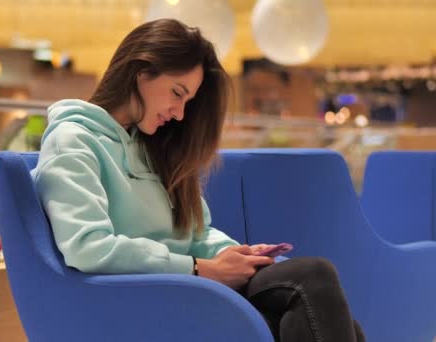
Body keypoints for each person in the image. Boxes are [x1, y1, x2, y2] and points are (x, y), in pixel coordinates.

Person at [31, 18, 366, 342]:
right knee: (312, 278)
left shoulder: (153, 146)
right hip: (139, 299)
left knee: (329, 320)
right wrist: (197, 269)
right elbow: (87, 247)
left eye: (187, 101)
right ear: (141, 71)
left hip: (186, 287)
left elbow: (197, 232)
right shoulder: (73, 140)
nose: (179, 113)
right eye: (177, 93)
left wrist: (236, 254)